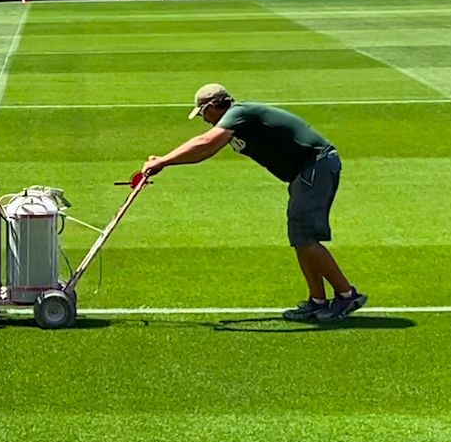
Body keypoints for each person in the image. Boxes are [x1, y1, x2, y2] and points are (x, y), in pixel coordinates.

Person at [141, 84, 367, 322]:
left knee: (306, 237)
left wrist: (163, 161)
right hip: (305, 171)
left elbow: (204, 144)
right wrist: (165, 162)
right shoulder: (234, 123)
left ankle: (346, 294)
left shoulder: (239, 114)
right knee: (300, 237)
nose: (204, 120)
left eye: (203, 113)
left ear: (213, 106)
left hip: (315, 165)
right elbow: (203, 152)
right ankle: (317, 300)